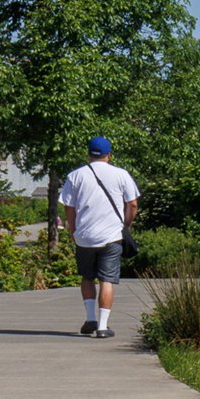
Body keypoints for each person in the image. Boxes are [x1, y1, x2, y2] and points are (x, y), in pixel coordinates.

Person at [58, 135, 139, 338]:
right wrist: (125, 225)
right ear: (108, 155)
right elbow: (133, 204)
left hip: (84, 236)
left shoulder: (75, 176)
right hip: (112, 236)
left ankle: (90, 318)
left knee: (87, 277)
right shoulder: (121, 175)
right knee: (107, 280)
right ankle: (103, 327)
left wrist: (73, 230)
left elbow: (69, 206)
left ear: (89, 154)